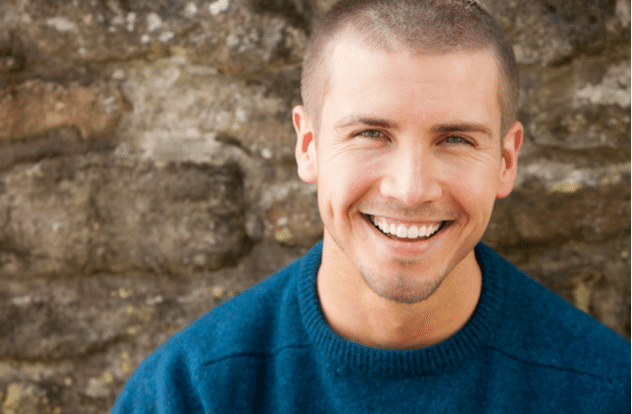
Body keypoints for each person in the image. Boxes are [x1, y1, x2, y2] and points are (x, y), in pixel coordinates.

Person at [111, 0, 631, 412]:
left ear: (506, 160)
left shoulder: (606, 391)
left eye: (454, 140)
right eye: (371, 133)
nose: (410, 189)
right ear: (308, 145)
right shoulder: (191, 393)